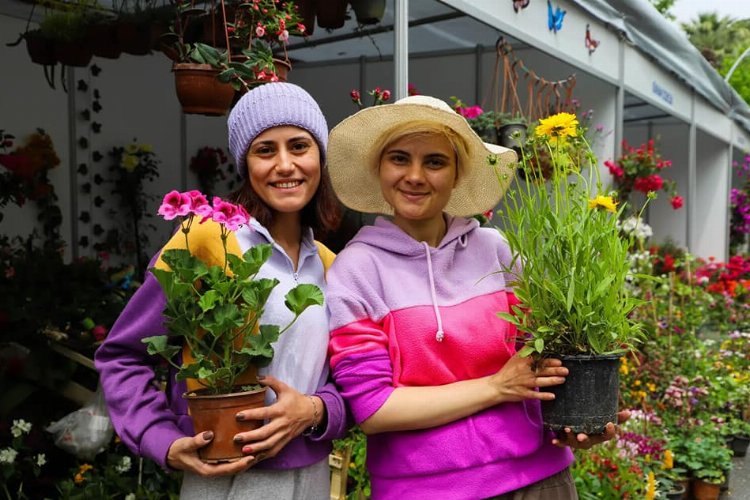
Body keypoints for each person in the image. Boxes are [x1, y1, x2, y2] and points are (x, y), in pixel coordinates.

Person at [324, 95, 625, 499]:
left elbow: (539, 355)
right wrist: (497, 387)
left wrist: (576, 420)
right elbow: (374, 410)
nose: (414, 175)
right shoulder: (356, 270)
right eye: (399, 158)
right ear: (379, 168)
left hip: (541, 480)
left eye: (434, 161)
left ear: (458, 174)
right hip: (425, 490)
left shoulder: (495, 248)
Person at [95, 82, 347, 500]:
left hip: (313, 476)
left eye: (299, 146)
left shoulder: (330, 264)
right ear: (244, 163)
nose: (285, 165)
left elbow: (352, 378)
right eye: (265, 150)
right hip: (226, 478)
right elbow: (122, 355)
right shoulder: (207, 239)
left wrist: (316, 410)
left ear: (320, 156)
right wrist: (161, 439)